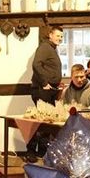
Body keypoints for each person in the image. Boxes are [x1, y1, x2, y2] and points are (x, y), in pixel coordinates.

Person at [28, 25, 64, 162]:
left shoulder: (52, 49)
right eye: (57, 35)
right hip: (42, 89)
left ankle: (42, 151)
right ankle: (31, 151)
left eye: (61, 36)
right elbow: (36, 64)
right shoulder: (45, 47)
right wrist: (44, 83)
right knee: (39, 121)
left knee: (45, 121)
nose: (60, 38)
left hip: (49, 90)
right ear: (50, 35)